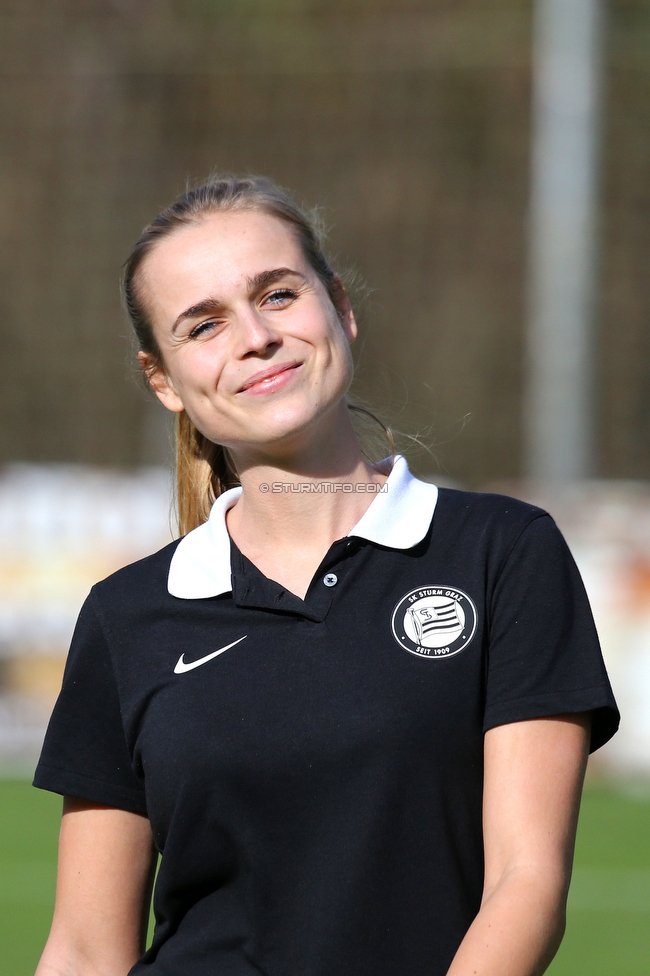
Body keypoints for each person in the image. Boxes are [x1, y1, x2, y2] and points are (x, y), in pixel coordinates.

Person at [33, 176, 619, 976]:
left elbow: (526, 885)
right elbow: (83, 948)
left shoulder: (502, 552)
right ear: (164, 381)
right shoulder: (126, 614)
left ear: (339, 308)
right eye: (204, 324)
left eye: (276, 294)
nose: (255, 337)